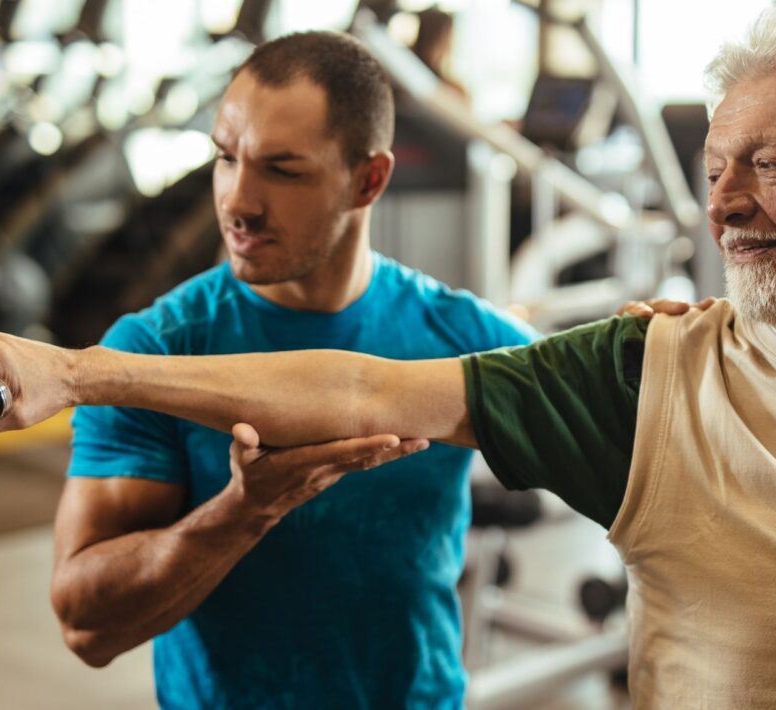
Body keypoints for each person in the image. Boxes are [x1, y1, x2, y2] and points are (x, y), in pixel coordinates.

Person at [0, 5, 776, 706]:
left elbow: (457, 370)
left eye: (769, 164)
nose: (724, 202)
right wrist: (84, 372)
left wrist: (625, 345)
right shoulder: (163, 345)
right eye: (717, 163)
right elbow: (350, 391)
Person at [38, 31, 552, 709]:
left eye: (282, 170)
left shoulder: (463, 336)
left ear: (368, 180)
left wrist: (660, 345)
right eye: (226, 158)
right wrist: (244, 512)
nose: (238, 201)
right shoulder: (152, 351)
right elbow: (85, 626)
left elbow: (631, 422)